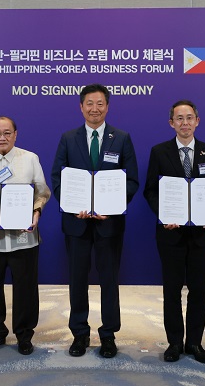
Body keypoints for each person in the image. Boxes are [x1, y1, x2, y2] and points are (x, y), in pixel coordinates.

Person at [51, 84, 139, 359]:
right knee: (77, 280)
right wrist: (71, 205)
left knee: (109, 281)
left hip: (108, 224)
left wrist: (111, 208)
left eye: (100, 103)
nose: (94, 109)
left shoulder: (121, 138)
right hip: (76, 224)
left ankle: (108, 335)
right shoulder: (68, 138)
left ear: (107, 107)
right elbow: (57, 177)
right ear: (81, 107)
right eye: (89, 103)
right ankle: (79, 334)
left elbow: (131, 180)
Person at [143, 100, 205, 364]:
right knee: (172, 289)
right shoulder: (159, 152)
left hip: (202, 234)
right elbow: (150, 190)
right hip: (170, 233)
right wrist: (164, 213)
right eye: (179, 118)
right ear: (171, 123)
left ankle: (195, 343)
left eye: (189, 118)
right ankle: (175, 342)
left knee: (199, 289)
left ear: (197, 121)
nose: (185, 123)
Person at [0, 116, 50, 355]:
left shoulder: (30, 159)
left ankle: (24, 335)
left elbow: (42, 192)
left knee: (26, 289)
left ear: (15, 134)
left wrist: (36, 212)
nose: (2, 138)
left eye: (7, 133)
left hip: (23, 238)